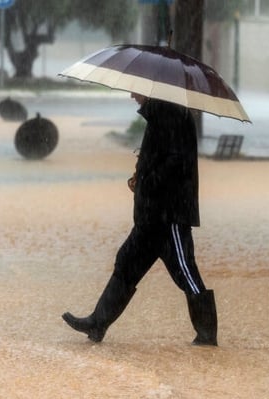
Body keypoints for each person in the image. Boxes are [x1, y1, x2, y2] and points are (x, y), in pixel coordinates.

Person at [62, 93, 218, 346]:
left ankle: (207, 336)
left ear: (151, 89)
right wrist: (140, 174)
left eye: (136, 90)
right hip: (150, 215)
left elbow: (176, 163)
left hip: (170, 215)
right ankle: (98, 323)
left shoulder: (173, 115)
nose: (132, 95)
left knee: (186, 272)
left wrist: (147, 180)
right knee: (127, 262)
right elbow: (158, 157)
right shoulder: (159, 114)